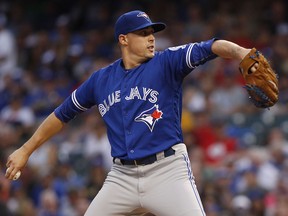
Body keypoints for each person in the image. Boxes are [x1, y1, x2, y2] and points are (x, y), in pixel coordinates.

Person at [5, 10, 259, 216]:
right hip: (121, 177)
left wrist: (242, 53)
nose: (151, 38)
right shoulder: (100, 80)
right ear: (123, 39)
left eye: (152, 33)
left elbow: (211, 46)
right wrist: (25, 150)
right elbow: (61, 115)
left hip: (167, 171)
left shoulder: (166, 62)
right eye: (143, 33)